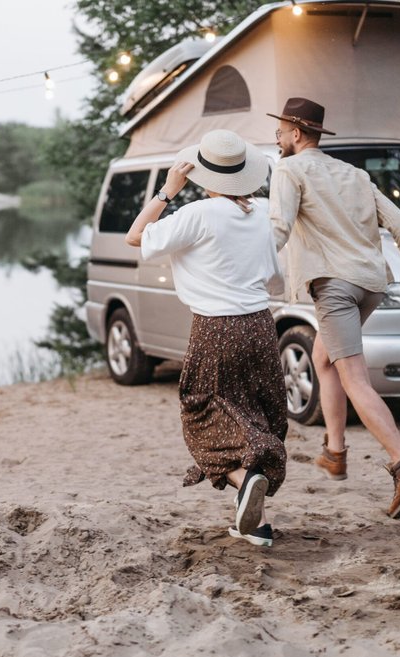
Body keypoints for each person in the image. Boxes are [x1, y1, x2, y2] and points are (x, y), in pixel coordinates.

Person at [267, 97, 400, 519]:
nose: (276, 138)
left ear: (294, 133)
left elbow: (279, 227)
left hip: (335, 287)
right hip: (371, 284)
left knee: (354, 377)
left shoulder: (288, 169)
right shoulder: (356, 174)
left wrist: (245, 268)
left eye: (279, 131)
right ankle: (335, 452)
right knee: (324, 356)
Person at [125, 129, 287, 547]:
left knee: (202, 413)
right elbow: (273, 278)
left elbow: (135, 236)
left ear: (203, 175)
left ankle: (243, 476)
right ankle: (256, 523)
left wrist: (166, 191)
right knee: (252, 414)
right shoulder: (263, 212)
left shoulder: (197, 214)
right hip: (260, 325)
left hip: (217, 327)